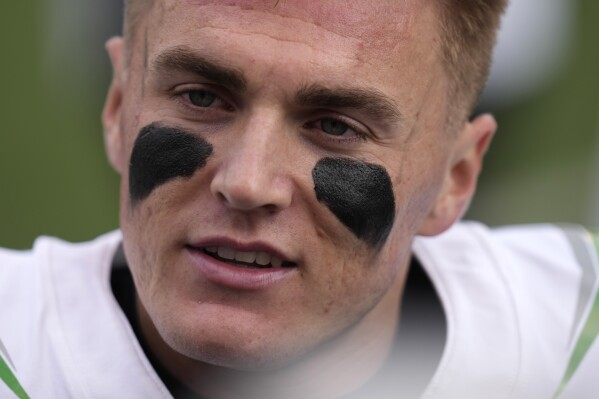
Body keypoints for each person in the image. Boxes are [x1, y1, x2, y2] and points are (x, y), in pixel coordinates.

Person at [0, 1, 597, 398]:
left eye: (336, 126)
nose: (248, 182)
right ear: (117, 107)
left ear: (456, 178)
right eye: (201, 97)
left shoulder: (572, 345)